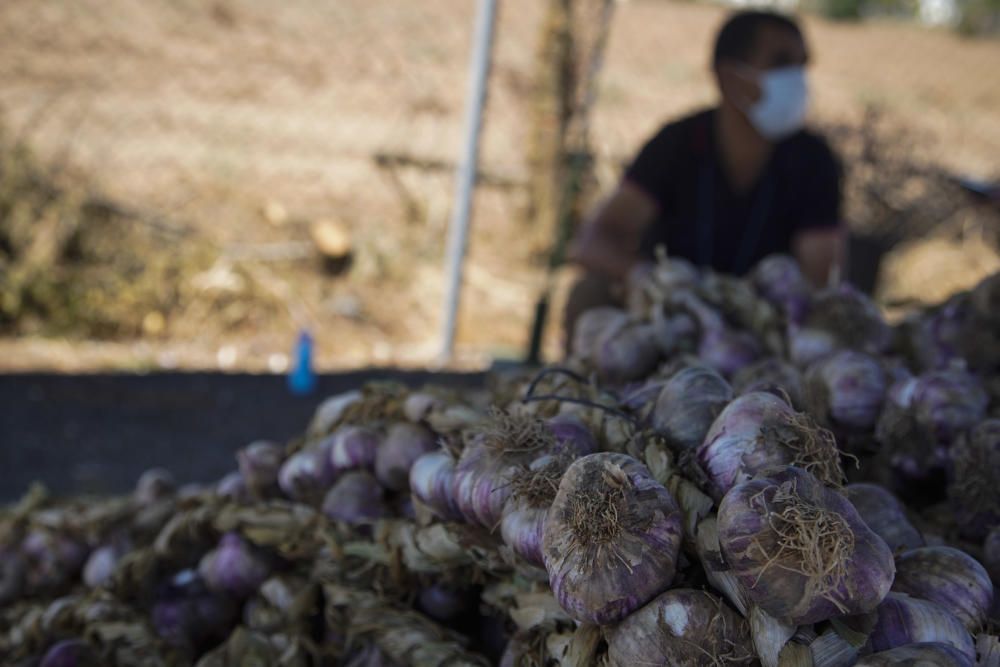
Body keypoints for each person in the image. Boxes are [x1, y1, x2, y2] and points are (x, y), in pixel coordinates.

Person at [566, 9, 844, 340]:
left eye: (802, 65)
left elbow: (820, 276)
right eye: (782, 63)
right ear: (729, 77)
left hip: (766, 328)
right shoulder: (678, 143)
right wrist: (644, 275)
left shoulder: (813, 159)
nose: (797, 79)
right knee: (590, 292)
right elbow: (591, 243)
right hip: (672, 317)